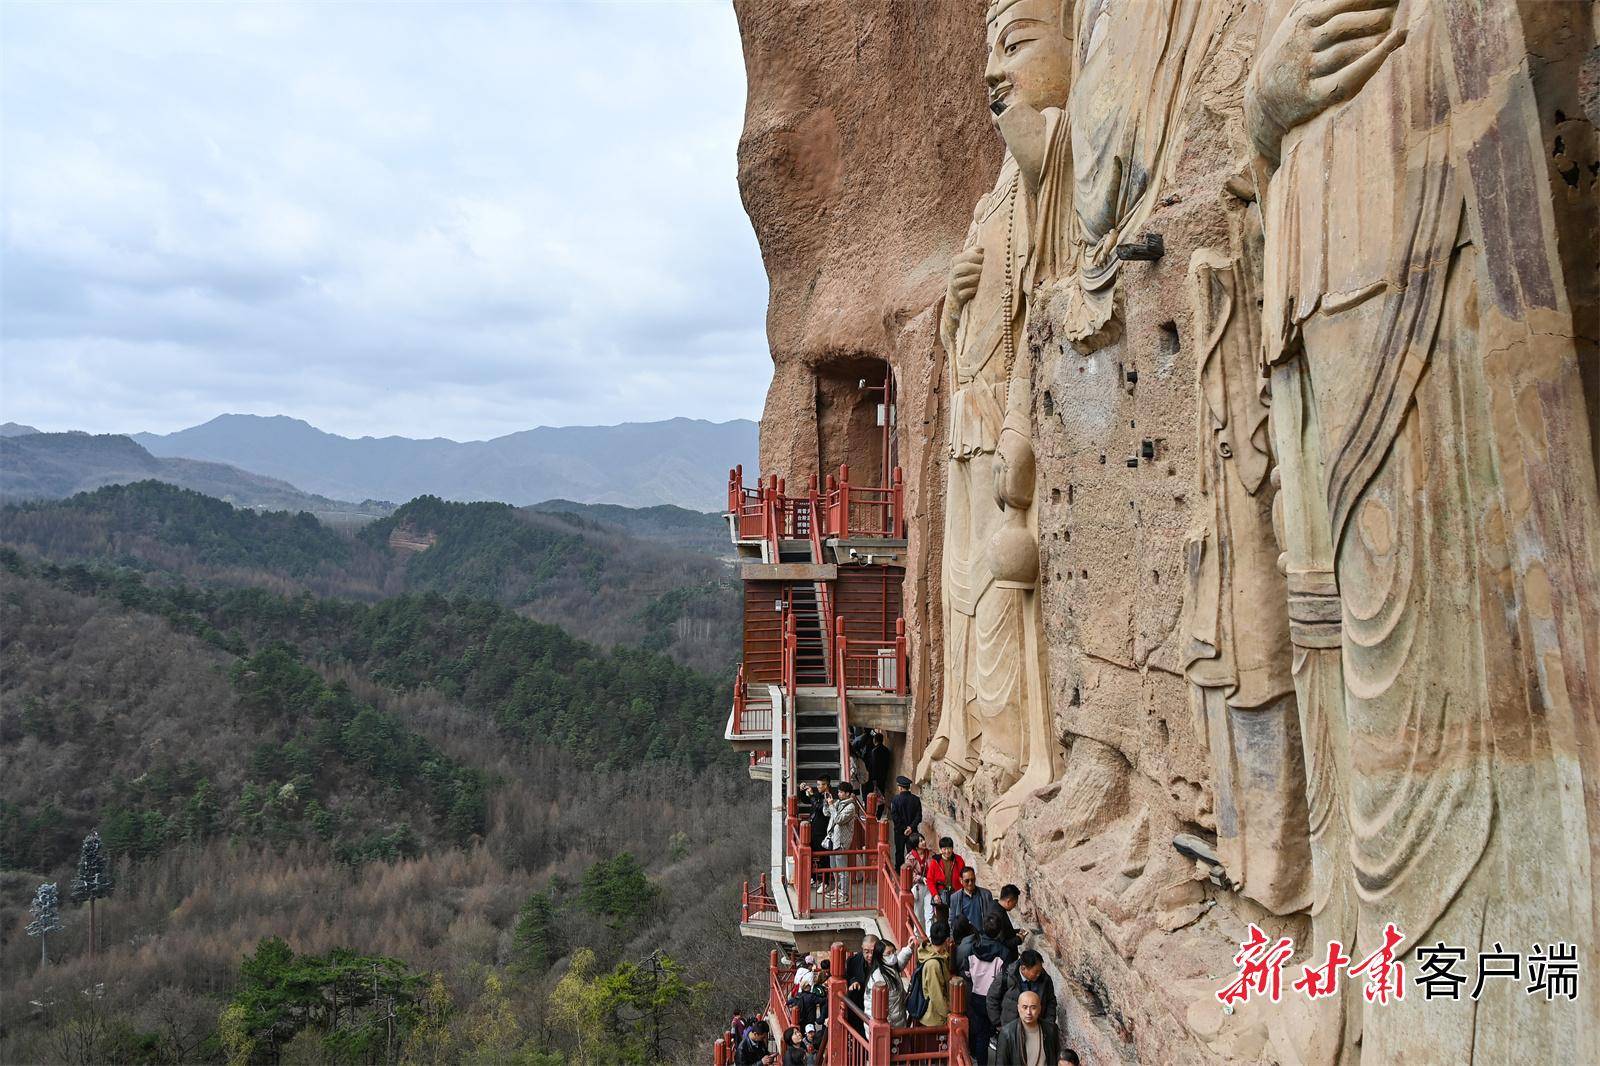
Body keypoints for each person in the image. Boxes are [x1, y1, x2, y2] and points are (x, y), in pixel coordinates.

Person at [961, 913, 1010, 1063]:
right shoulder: (1004, 952)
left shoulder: (972, 948)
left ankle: (977, 1058)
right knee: (990, 1033)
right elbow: (1004, 979)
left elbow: (967, 972)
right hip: (993, 999)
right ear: (999, 931)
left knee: (979, 1032)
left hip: (976, 995)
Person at [987, 949, 1057, 1032]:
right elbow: (992, 999)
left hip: (1036, 1029)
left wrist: (1048, 1023)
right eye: (1036, 972)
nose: (1039, 974)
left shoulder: (1045, 979)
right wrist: (998, 1023)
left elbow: (1051, 1001)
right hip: (1011, 1029)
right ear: (1023, 968)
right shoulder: (1005, 978)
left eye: (1040, 971)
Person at [993, 990, 1060, 1066]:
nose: (1028, 1012)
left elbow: (1056, 1058)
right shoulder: (1007, 1033)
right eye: (1025, 1007)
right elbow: (1001, 1063)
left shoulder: (1051, 1029)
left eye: (1033, 1008)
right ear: (1018, 1008)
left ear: (1039, 1009)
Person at [824, 782, 864, 904]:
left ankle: (844, 895)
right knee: (834, 867)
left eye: (841, 792)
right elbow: (826, 813)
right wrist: (827, 803)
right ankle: (837, 889)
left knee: (842, 870)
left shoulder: (851, 807)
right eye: (839, 792)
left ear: (848, 793)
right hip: (832, 839)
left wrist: (831, 806)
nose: (839, 794)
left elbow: (839, 819)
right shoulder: (838, 803)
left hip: (841, 841)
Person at [865, 937, 916, 1028]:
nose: (892, 955)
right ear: (880, 957)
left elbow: (899, 962)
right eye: (888, 953)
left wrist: (909, 948)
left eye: (893, 952)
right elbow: (875, 1008)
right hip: (885, 1027)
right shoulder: (878, 978)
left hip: (897, 1020)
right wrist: (886, 1029)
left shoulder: (890, 967)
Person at [913, 920, 954, 1027]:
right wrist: (948, 1013)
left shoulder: (931, 953)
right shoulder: (933, 964)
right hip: (933, 1017)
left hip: (933, 1015)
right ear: (947, 940)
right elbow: (936, 995)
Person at [888, 775, 923, 868]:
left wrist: (904, 828)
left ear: (900, 787)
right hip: (913, 831)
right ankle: (912, 871)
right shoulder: (916, 799)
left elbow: (895, 817)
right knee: (912, 853)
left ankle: (899, 871)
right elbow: (919, 817)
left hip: (899, 831)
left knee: (899, 851)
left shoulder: (895, 799)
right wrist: (910, 828)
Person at [950, 866, 995, 934]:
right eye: (967, 881)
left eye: (972, 880)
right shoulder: (955, 898)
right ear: (961, 880)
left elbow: (992, 917)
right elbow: (952, 920)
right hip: (965, 938)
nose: (970, 883)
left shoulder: (986, 895)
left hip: (983, 935)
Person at [987, 883, 1024, 962]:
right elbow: (1001, 943)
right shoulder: (998, 916)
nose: (1014, 906)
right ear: (1009, 901)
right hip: (1003, 958)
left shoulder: (994, 905)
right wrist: (1019, 939)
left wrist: (1017, 931)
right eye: (1014, 903)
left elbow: (1004, 931)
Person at [846, 932, 878, 1021]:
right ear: (862, 948)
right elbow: (848, 977)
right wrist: (853, 981)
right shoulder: (853, 962)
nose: (870, 955)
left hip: (876, 1006)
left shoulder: (884, 962)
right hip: (859, 1006)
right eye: (866, 952)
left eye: (873, 951)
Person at [925, 837, 967, 903]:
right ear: (941, 849)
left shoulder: (959, 860)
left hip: (956, 893)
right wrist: (935, 894)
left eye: (949, 848)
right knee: (942, 913)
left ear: (952, 848)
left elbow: (964, 876)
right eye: (944, 849)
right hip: (941, 894)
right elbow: (930, 880)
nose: (947, 851)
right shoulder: (935, 862)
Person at [866, 731, 893, 800]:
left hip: (876, 777)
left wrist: (873, 777)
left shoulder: (874, 751)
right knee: (882, 792)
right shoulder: (886, 750)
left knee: (875, 794)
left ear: (875, 740)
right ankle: (881, 808)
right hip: (883, 775)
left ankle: (877, 809)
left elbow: (873, 765)